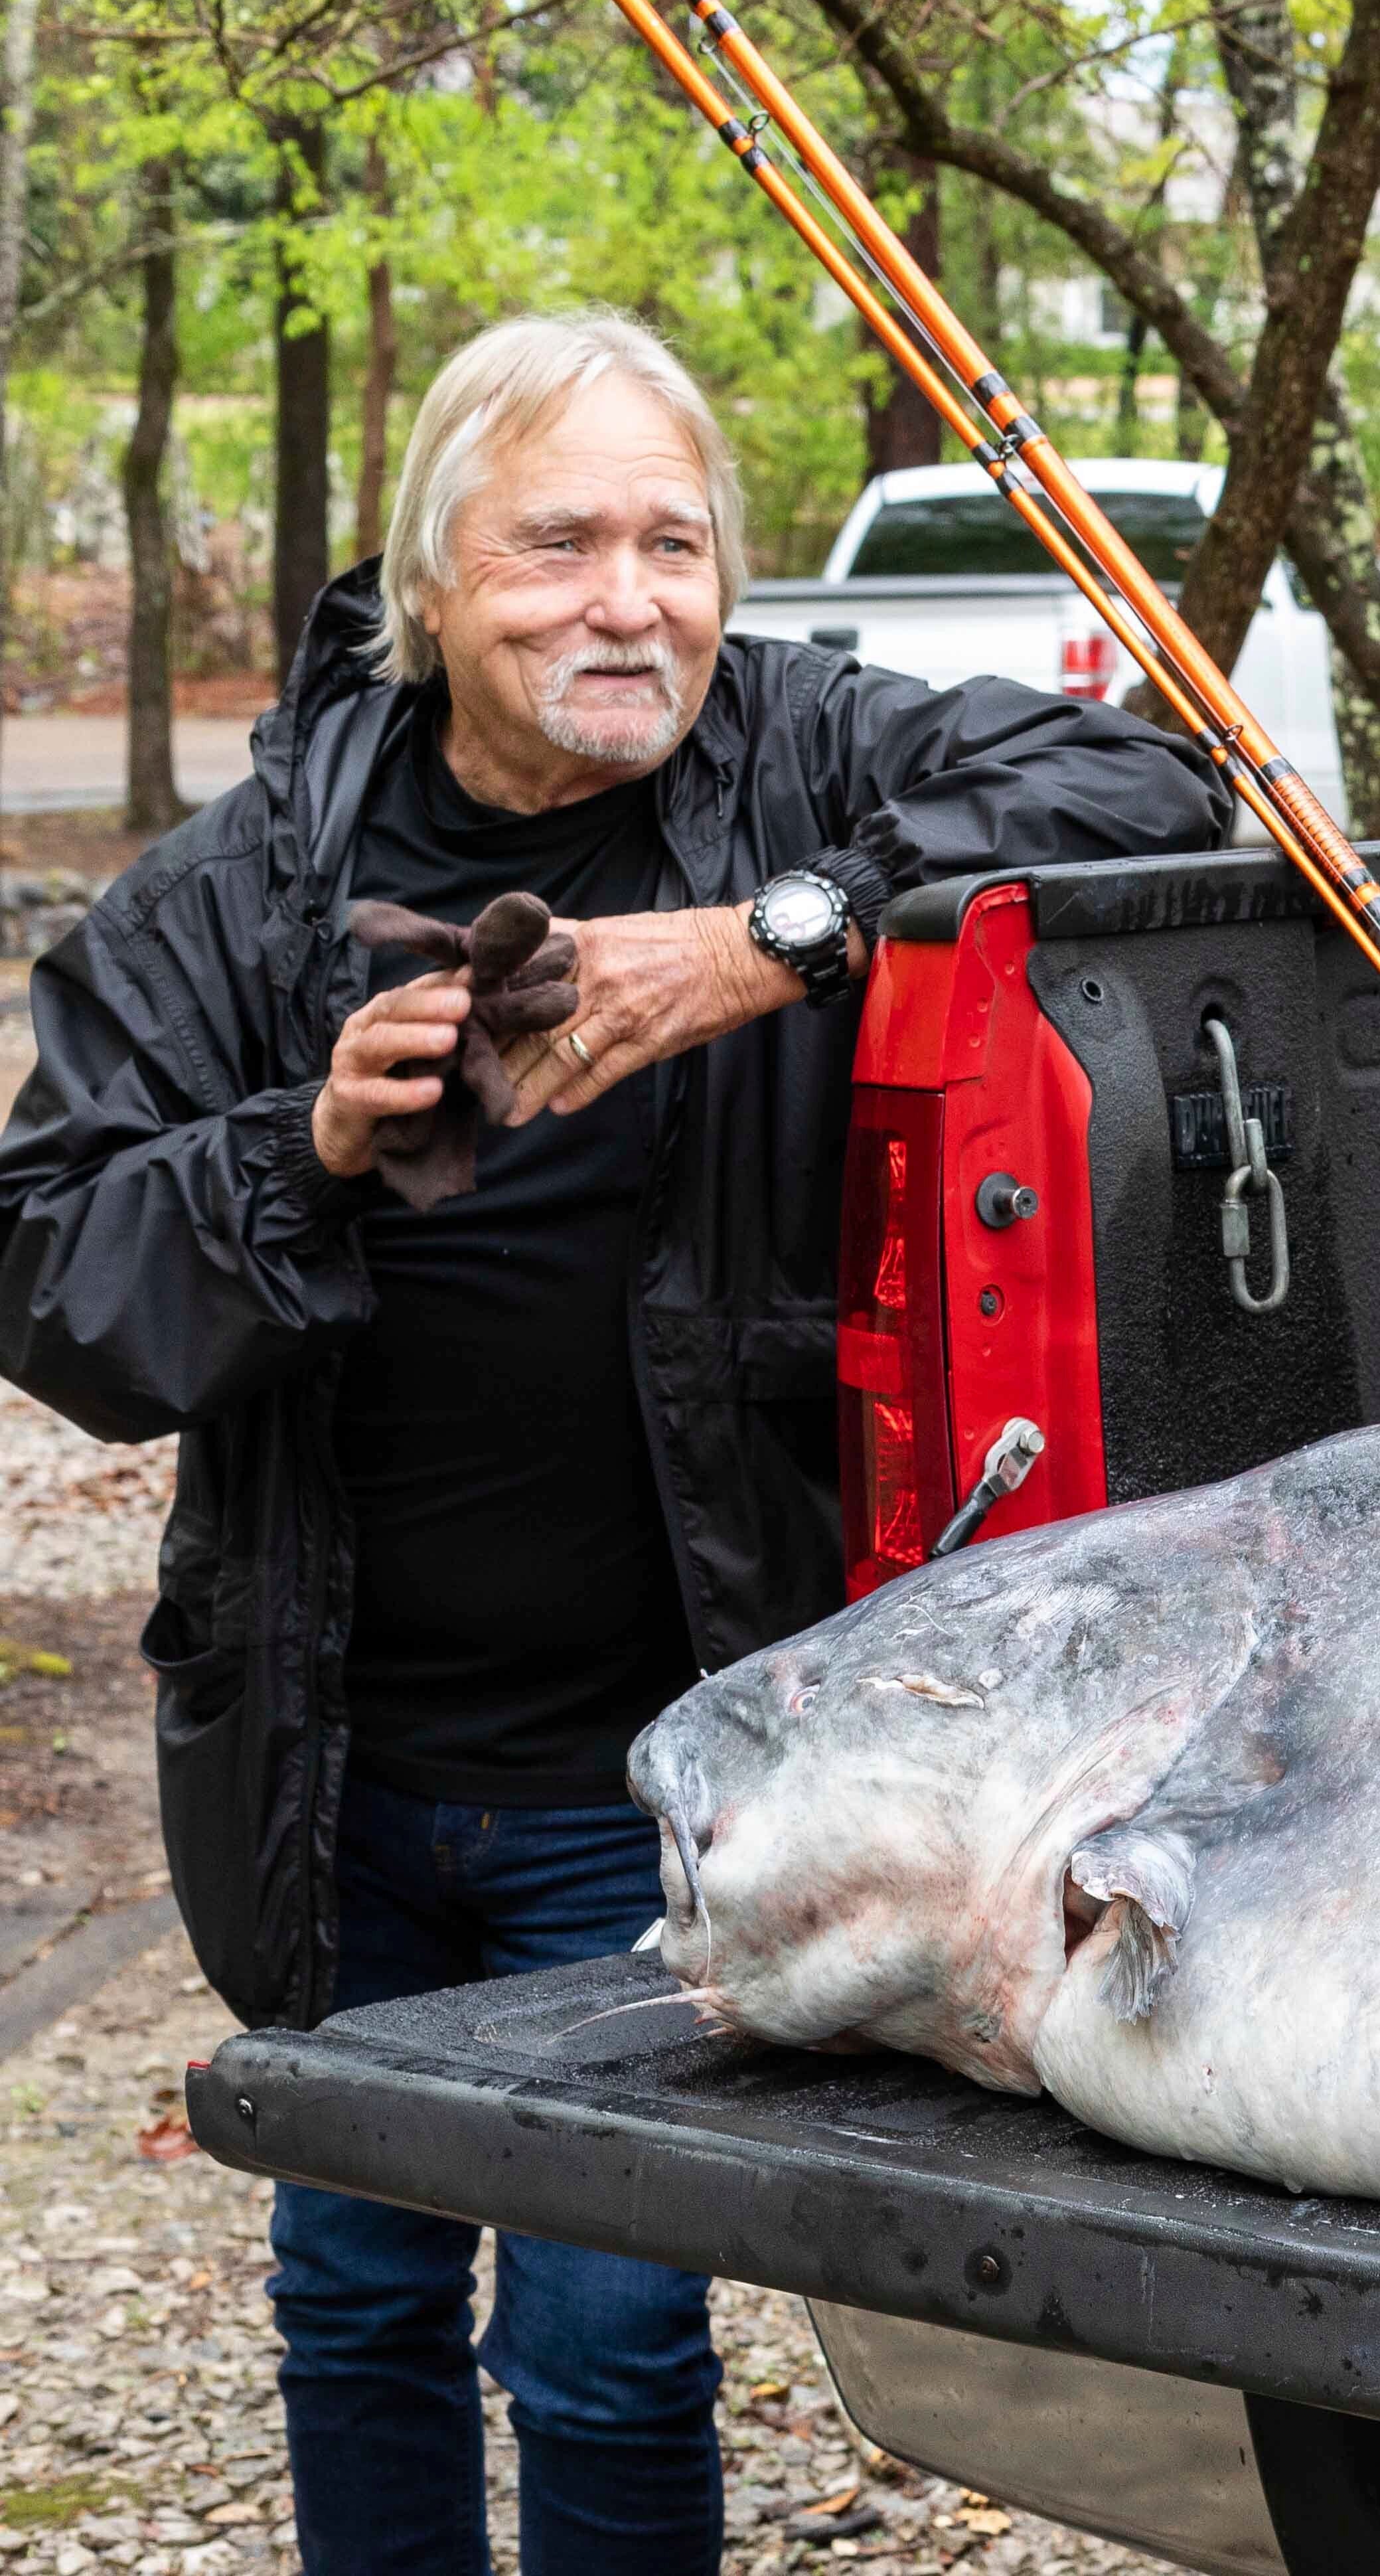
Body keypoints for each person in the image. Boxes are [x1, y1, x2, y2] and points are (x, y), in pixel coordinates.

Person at [0, 313, 1223, 2575]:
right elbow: (47, 1268)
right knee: (356, 2295)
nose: (627, 598)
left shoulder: (799, 765)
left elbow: (1162, 784)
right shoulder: (249, 880)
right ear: (430, 583)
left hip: (660, 1751)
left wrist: (782, 938)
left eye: (675, 541)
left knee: (605, 2334)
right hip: (332, 1753)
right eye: (557, 542)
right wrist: (302, 1154)